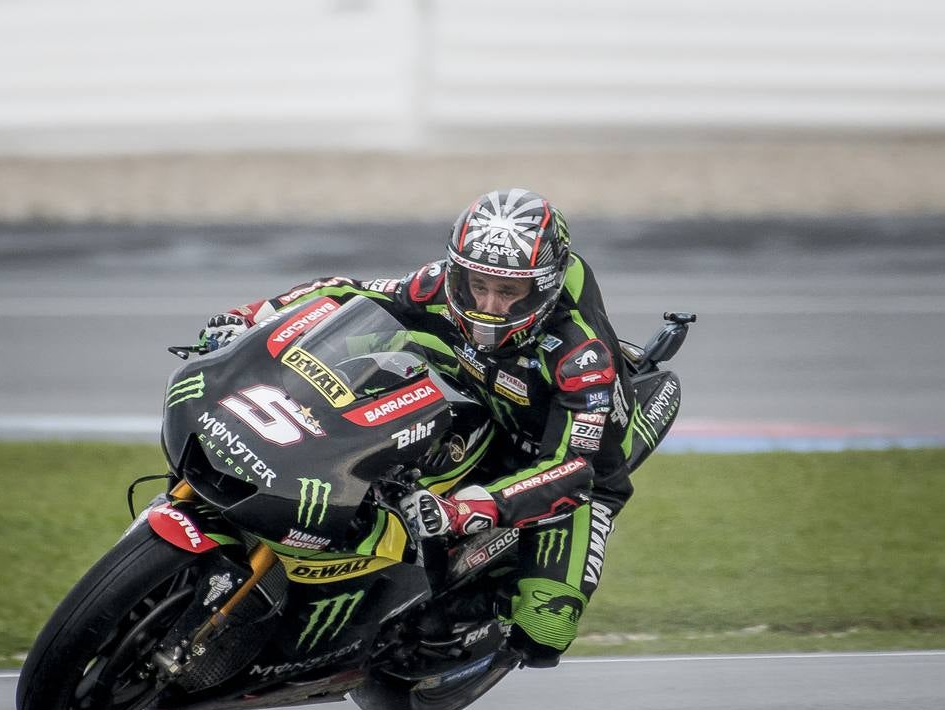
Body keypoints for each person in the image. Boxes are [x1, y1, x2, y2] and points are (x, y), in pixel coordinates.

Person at [200, 188, 634, 667]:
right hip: (485, 402)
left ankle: (462, 616)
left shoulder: (581, 357)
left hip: (569, 471)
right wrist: (252, 317)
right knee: (373, 349)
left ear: (543, 288)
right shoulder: (438, 285)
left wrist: (476, 507)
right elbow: (348, 292)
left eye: (509, 292)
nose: (488, 305)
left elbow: (573, 467)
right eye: (477, 285)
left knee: (545, 631)